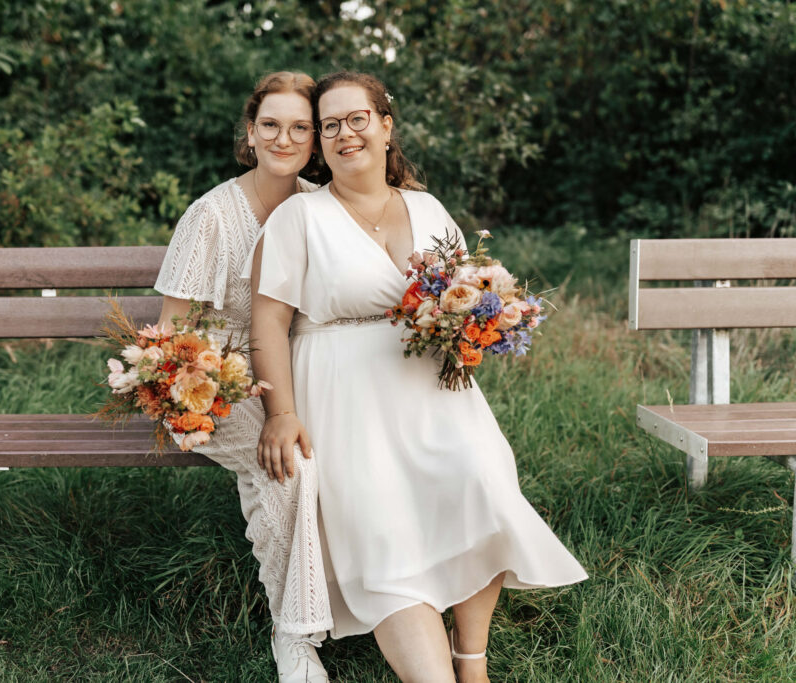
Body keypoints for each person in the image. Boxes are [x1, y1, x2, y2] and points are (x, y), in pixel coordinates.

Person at [246, 71, 588, 683]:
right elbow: (268, 322)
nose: (345, 134)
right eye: (329, 126)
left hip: (434, 383)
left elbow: (468, 285)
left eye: (357, 119)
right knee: (383, 533)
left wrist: (479, 322)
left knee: (483, 486)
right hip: (342, 388)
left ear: (385, 125)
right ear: (320, 144)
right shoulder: (300, 217)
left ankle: (471, 660)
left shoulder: (427, 207)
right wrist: (282, 413)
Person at [153, 71, 333, 683]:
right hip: (211, 384)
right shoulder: (213, 215)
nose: (284, 138)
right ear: (250, 134)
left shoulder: (320, 206)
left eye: (300, 128)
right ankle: (296, 637)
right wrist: (216, 389)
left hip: (297, 372)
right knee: (287, 464)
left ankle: (376, 595)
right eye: (271, 126)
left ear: (314, 140)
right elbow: (172, 334)